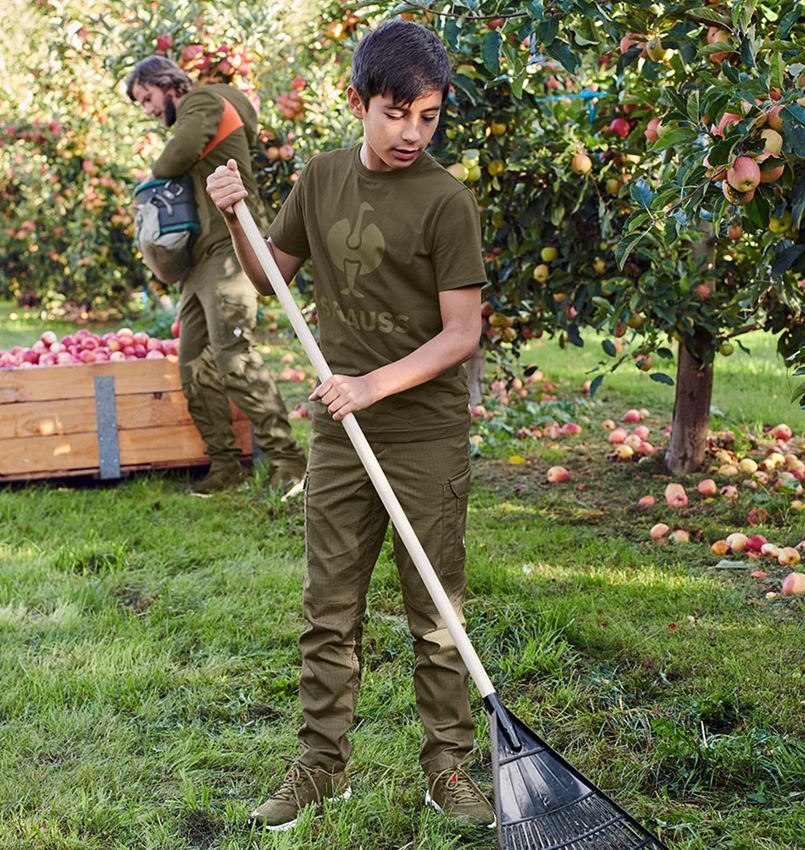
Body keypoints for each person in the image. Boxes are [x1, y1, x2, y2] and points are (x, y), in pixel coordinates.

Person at [205, 19, 493, 831]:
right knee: (328, 607)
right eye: (396, 113)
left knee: (436, 614)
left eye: (429, 116)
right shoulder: (321, 179)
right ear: (359, 101)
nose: (411, 132)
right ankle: (322, 766)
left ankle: (448, 768)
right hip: (341, 438)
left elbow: (461, 333)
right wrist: (236, 217)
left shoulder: (446, 200)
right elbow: (272, 282)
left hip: (422, 435)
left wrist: (372, 385)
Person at [126, 56, 306, 495]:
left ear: (168, 83)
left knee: (234, 355)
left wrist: (153, 173)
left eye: (148, 98)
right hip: (201, 254)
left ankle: (289, 462)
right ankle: (225, 464)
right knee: (194, 362)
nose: (148, 110)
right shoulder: (204, 106)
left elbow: (174, 159)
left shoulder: (203, 100)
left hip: (231, 246)